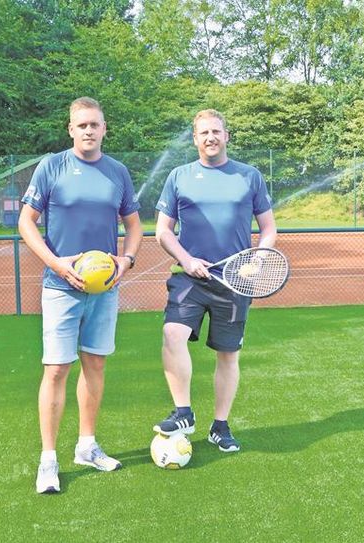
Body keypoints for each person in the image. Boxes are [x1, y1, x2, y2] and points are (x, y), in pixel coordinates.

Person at [18, 97, 142, 494]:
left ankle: (86, 446)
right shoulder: (52, 165)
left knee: (96, 365)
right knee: (56, 369)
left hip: (104, 290)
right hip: (60, 287)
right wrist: (56, 263)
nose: (89, 130)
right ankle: (48, 460)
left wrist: (127, 259)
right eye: (82, 125)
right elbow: (26, 221)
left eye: (95, 124)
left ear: (105, 129)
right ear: (70, 129)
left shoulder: (117, 172)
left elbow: (135, 225)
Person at [152, 109, 277, 453]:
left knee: (228, 355)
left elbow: (268, 229)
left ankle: (220, 427)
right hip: (189, 277)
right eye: (203, 132)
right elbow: (163, 231)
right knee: (171, 333)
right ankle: (183, 412)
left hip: (235, 281)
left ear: (227, 136)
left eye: (216, 132)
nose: (210, 138)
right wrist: (187, 260)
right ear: (195, 139)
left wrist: (259, 258)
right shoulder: (179, 176)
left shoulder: (249, 176)